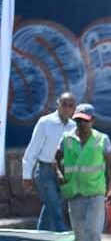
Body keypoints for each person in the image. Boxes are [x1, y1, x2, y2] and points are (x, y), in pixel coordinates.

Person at [56, 104, 111, 241]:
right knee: (79, 233)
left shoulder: (101, 139)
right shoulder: (67, 139)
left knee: (92, 229)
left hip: (95, 192)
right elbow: (56, 158)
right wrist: (59, 173)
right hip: (74, 192)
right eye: (78, 121)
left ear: (93, 121)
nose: (81, 124)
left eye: (85, 121)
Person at [21, 93, 77, 232]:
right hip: (45, 170)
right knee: (56, 209)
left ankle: (40, 238)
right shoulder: (45, 122)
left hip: (64, 172)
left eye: (70, 106)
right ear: (57, 104)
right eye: (64, 104)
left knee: (51, 207)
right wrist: (26, 176)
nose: (67, 108)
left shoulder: (74, 126)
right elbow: (32, 150)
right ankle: (63, 239)